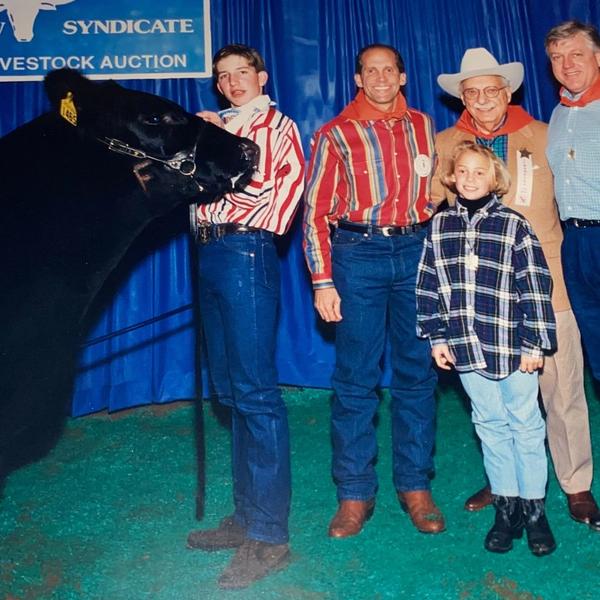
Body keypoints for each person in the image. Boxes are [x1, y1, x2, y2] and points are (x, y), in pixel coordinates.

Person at [433, 47, 600, 531]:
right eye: (473, 92)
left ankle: (575, 482)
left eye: (492, 90)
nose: (483, 99)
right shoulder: (447, 144)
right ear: (461, 98)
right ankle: (504, 480)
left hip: (544, 280)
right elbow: (430, 206)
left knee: (561, 385)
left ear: (508, 92)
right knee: (491, 395)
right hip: (479, 293)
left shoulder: (546, 134)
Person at [303, 44, 444, 538]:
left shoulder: (426, 127)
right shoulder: (334, 134)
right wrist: (323, 280)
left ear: (402, 76)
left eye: (390, 69)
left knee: (417, 373)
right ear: (359, 79)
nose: (381, 78)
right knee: (356, 379)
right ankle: (354, 493)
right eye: (371, 71)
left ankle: (415, 485)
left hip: (416, 252)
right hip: (356, 256)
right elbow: (316, 212)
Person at [185, 44, 305, 590]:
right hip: (208, 251)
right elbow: (193, 192)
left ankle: (271, 536)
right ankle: (245, 517)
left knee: (256, 394)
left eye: (242, 73)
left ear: (260, 75)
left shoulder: (277, 126)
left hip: (246, 251)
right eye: (223, 76)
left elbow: (276, 196)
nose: (233, 83)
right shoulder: (219, 127)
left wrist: (218, 150)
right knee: (231, 393)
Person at [417, 141, 557, 555]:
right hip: (465, 345)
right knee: (489, 424)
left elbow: (535, 285)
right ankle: (507, 507)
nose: (471, 179)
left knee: (526, 425)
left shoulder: (515, 225)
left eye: (480, 172)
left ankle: (535, 511)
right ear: (451, 177)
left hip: (513, 346)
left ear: (495, 179)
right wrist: (437, 337)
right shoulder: (439, 227)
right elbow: (428, 287)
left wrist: (535, 342)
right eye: (463, 171)